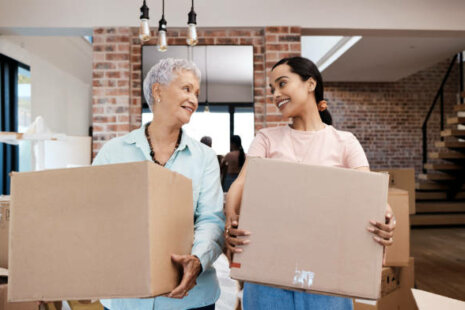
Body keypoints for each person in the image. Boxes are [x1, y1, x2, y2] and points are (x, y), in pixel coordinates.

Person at [224, 57, 396, 310]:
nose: (276, 94)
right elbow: (241, 183)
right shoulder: (266, 138)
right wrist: (231, 219)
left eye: (282, 83)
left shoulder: (344, 142)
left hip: (327, 280)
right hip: (268, 279)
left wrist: (386, 218)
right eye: (272, 89)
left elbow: (369, 195)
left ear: (310, 83)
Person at [93, 58, 225, 310]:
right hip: (127, 298)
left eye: (196, 93)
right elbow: (94, 215)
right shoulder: (113, 152)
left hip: (190, 299)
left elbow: (211, 219)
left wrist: (197, 259)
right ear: (158, 91)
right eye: (187, 89)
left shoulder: (204, 157)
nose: (194, 100)